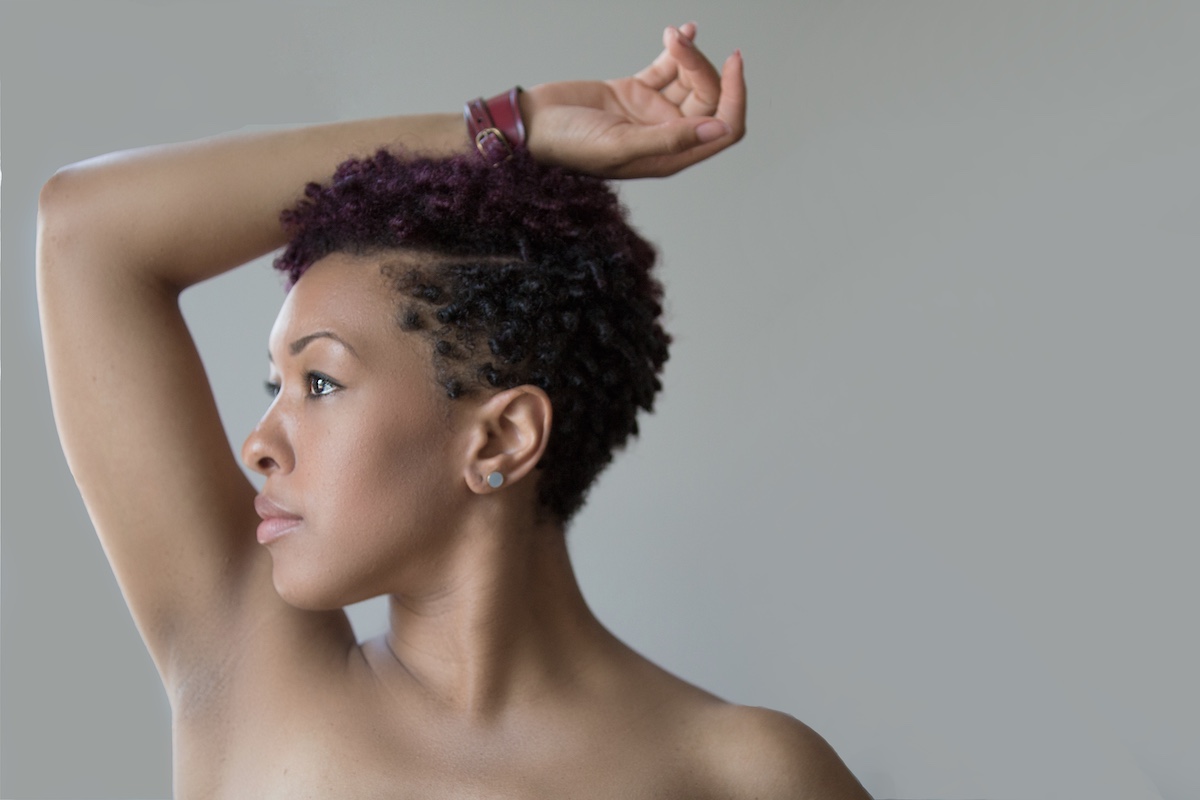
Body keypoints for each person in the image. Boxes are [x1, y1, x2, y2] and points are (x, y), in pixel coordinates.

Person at [37, 23, 872, 799]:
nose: (259, 444)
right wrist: (507, 129)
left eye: (319, 384)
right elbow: (87, 230)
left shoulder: (746, 775)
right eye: (274, 388)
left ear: (501, 437)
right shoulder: (251, 674)